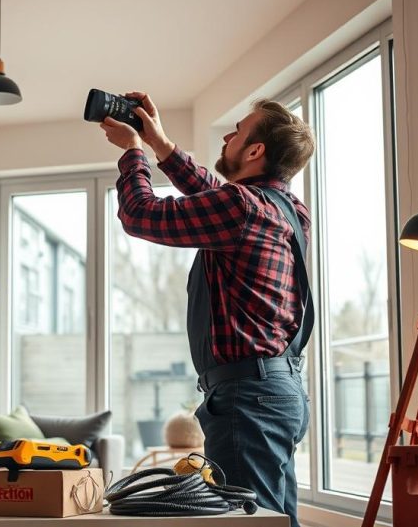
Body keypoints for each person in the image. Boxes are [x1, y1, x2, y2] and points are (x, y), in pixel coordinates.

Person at [98, 92, 315, 527]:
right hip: (276, 390)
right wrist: (160, 142)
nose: (229, 135)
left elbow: (140, 214)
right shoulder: (288, 211)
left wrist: (133, 153)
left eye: (239, 131)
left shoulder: (242, 209)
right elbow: (216, 195)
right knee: (272, 519)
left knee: (244, 523)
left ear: (255, 151)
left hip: (248, 398)